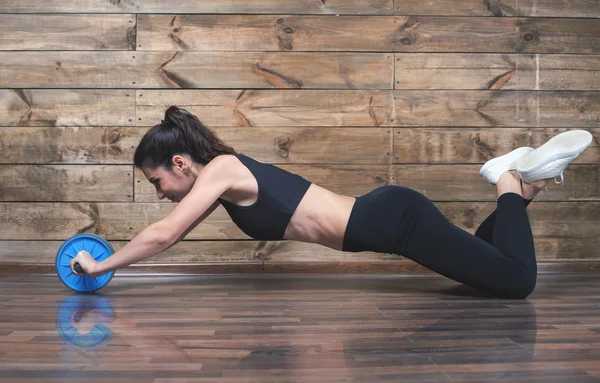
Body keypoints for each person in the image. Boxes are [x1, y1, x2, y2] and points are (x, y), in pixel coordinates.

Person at [70, 106, 593, 299]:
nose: (160, 193)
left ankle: (505, 178)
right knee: (490, 264)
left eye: (157, 180)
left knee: (518, 282)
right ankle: (524, 187)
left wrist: (100, 265)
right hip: (389, 218)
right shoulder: (223, 180)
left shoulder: (225, 169)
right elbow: (171, 228)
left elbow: (164, 233)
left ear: (181, 164)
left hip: (392, 220)